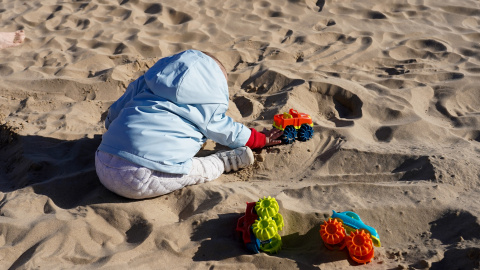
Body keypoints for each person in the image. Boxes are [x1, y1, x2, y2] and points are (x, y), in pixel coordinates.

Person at [95, 49, 283, 199]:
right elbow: (228, 131)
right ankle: (223, 162)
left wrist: (114, 128)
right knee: (200, 169)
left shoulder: (147, 82)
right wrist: (258, 139)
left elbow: (115, 112)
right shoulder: (207, 103)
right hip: (142, 178)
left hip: (102, 161)